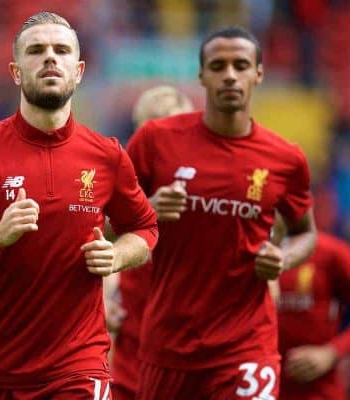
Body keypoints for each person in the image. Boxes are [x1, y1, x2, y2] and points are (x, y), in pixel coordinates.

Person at [0, 12, 158, 400]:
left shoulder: (107, 155)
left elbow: (146, 229)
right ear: (15, 71)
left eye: (61, 50)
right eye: (36, 50)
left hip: (79, 368)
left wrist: (116, 255)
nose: (49, 59)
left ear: (78, 71)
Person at [126, 26, 317, 399]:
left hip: (247, 345)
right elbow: (105, 220)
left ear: (258, 74)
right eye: (218, 65)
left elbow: (305, 232)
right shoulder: (155, 140)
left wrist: (284, 256)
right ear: (202, 75)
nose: (230, 74)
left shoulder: (285, 158)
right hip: (169, 346)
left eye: (241, 65)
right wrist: (147, 210)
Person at [105, 85, 194, 400]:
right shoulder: (118, 190)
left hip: (199, 365)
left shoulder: (218, 194)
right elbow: (89, 243)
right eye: (152, 132)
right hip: (134, 369)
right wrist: (101, 302)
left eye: (175, 130)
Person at [277, 230, 350, 400]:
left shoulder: (332, 252)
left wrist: (331, 352)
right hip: (262, 384)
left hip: (318, 390)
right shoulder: (250, 252)